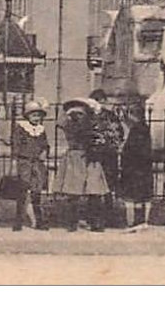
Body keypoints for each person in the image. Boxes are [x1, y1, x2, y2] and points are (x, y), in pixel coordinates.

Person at [54, 98, 110, 232]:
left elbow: (101, 132)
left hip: (91, 158)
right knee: (74, 192)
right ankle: (72, 222)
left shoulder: (92, 124)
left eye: (81, 113)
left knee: (94, 191)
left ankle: (95, 222)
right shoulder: (69, 124)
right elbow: (61, 123)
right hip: (75, 158)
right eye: (75, 113)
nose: (77, 116)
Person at [8, 99, 51, 231]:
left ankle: (39, 221)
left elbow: (45, 145)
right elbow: (16, 145)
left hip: (37, 163)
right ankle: (18, 222)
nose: (36, 118)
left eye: (38, 115)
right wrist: (14, 163)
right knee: (22, 192)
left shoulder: (41, 130)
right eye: (33, 115)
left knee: (36, 192)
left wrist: (44, 152)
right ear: (27, 116)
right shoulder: (21, 128)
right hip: (24, 162)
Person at [116, 101, 156, 229]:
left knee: (137, 195)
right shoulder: (140, 127)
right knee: (140, 195)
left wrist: (123, 153)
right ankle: (139, 221)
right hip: (140, 168)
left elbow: (134, 150)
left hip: (135, 168)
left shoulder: (139, 129)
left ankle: (138, 222)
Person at [88, 89, 125, 227]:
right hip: (93, 156)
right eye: (95, 101)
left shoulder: (110, 116)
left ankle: (109, 217)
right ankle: (94, 218)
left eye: (100, 101)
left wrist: (112, 142)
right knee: (94, 188)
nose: (98, 104)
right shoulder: (87, 116)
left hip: (109, 155)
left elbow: (119, 133)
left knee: (109, 187)